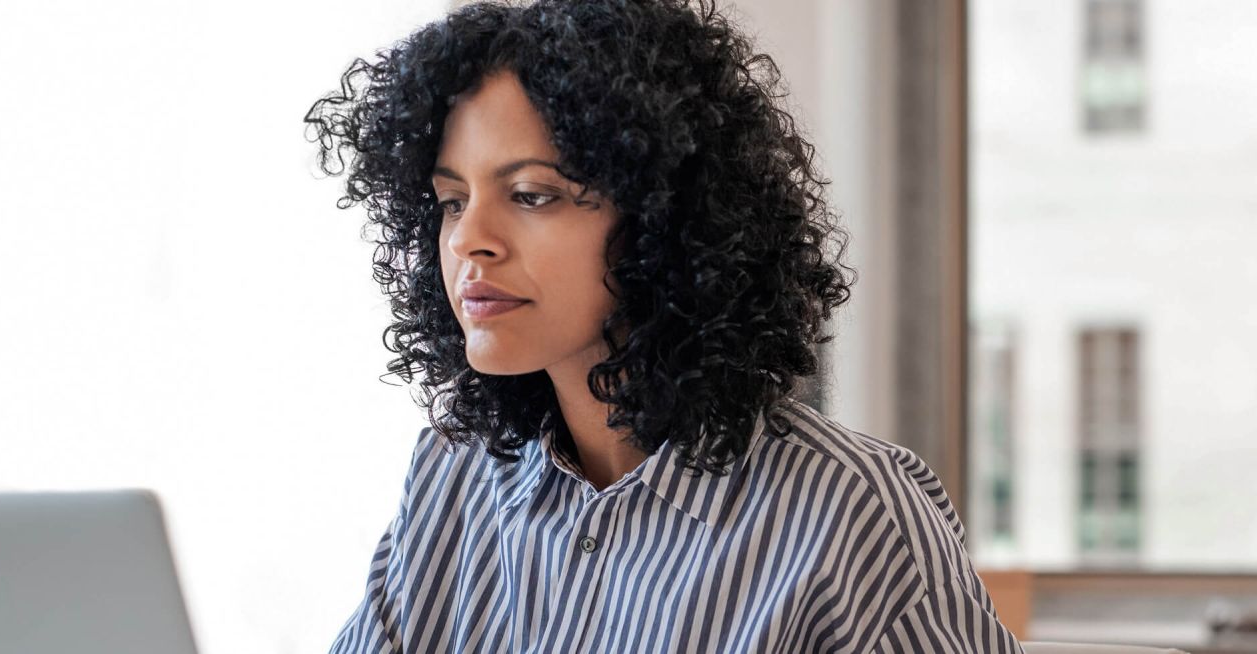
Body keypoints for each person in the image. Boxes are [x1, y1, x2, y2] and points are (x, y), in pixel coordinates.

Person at [302, 0, 1024, 652]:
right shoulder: (450, 475)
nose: (468, 240)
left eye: (530, 194)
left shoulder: (849, 514)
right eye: (452, 200)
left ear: (660, 221)